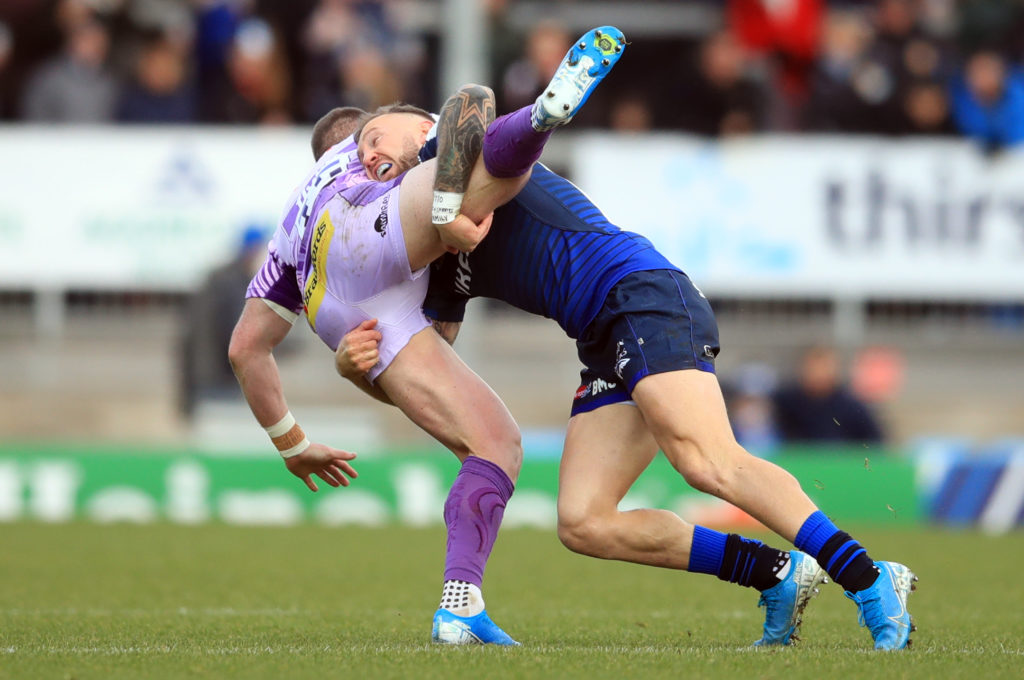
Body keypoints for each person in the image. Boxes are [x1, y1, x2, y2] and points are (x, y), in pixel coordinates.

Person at [336, 78, 917, 654]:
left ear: (420, 127)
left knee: (706, 460)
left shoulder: (455, 152)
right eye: (359, 155)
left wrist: (450, 193)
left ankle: (868, 579)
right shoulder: (432, 259)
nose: (367, 155)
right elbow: (434, 372)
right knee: (583, 522)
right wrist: (358, 370)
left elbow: (472, 98)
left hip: (639, 293)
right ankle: (777, 574)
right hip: (602, 333)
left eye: (375, 136)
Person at [229, 27, 629, 646]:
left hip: (335, 308)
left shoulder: (290, 224)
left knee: (494, 443)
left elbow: (245, 349)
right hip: (366, 231)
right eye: (366, 139)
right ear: (357, 133)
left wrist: (292, 441)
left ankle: (458, 607)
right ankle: (541, 118)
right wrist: (437, 197)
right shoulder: (375, 142)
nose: (370, 148)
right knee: (472, 144)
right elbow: (464, 106)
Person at [772, 345, 886, 445]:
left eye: (824, 366)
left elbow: (874, 442)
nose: (818, 373)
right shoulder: (785, 401)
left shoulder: (851, 405)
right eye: (813, 366)